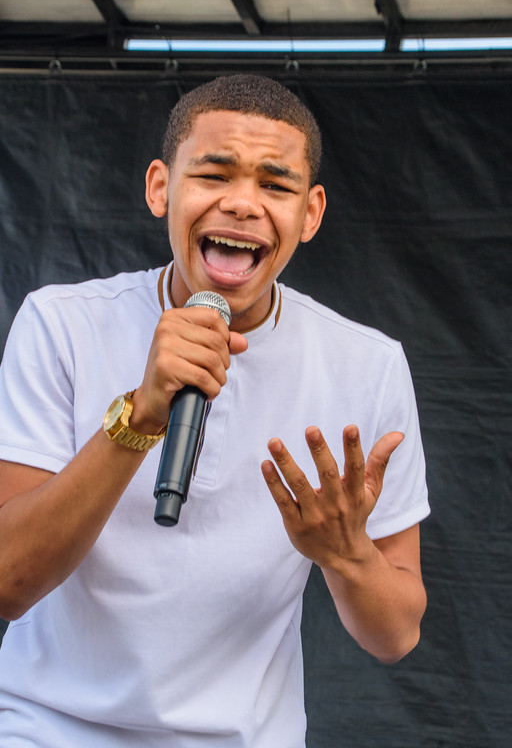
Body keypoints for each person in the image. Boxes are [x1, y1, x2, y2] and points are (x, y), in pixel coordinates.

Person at [0, 74, 429, 747]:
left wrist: (349, 559)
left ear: (310, 214)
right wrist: (138, 419)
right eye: (214, 174)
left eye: (276, 185)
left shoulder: (367, 365)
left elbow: (398, 635)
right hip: (48, 730)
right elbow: (7, 582)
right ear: (159, 188)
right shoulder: (60, 325)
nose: (243, 203)